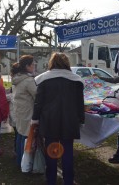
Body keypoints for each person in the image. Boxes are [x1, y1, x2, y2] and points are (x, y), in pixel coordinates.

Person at [32, 52, 84, 185]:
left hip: (50, 121)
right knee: (67, 152)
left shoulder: (44, 79)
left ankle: (51, 180)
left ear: (51, 63)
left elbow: (39, 102)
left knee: (51, 152)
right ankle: (68, 181)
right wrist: (81, 120)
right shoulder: (75, 80)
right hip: (69, 120)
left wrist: (35, 119)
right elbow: (80, 103)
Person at [10, 55, 37, 167]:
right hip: (27, 112)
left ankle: (19, 161)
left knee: (20, 136)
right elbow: (37, 96)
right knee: (26, 138)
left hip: (19, 112)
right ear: (27, 66)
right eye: (33, 64)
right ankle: (25, 163)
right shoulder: (28, 80)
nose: (34, 66)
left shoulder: (18, 78)